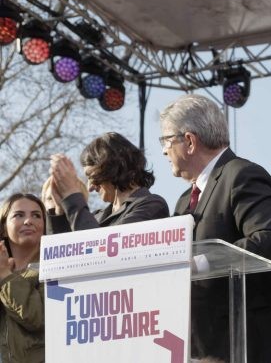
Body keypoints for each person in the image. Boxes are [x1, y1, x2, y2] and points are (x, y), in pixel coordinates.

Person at [159, 94, 271, 363]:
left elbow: (270, 241)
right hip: (202, 347)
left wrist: (199, 262)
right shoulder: (182, 200)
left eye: (166, 141)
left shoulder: (241, 175)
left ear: (189, 141)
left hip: (247, 344)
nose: (164, 150)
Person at [47, 132, 169, 232]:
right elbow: (65, 255)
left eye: (92, 176)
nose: (90, 187)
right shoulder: (97, 217)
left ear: (114, 168)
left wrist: (72, 196)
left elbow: (107, 249)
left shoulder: (152, 206)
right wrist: (60, 212)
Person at [0, 193, 46, 363]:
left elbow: (38, 318)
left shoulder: (52, 268)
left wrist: (5, 276)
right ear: (4, 227)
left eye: (36, 215)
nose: (29, 221)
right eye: (19, 215)